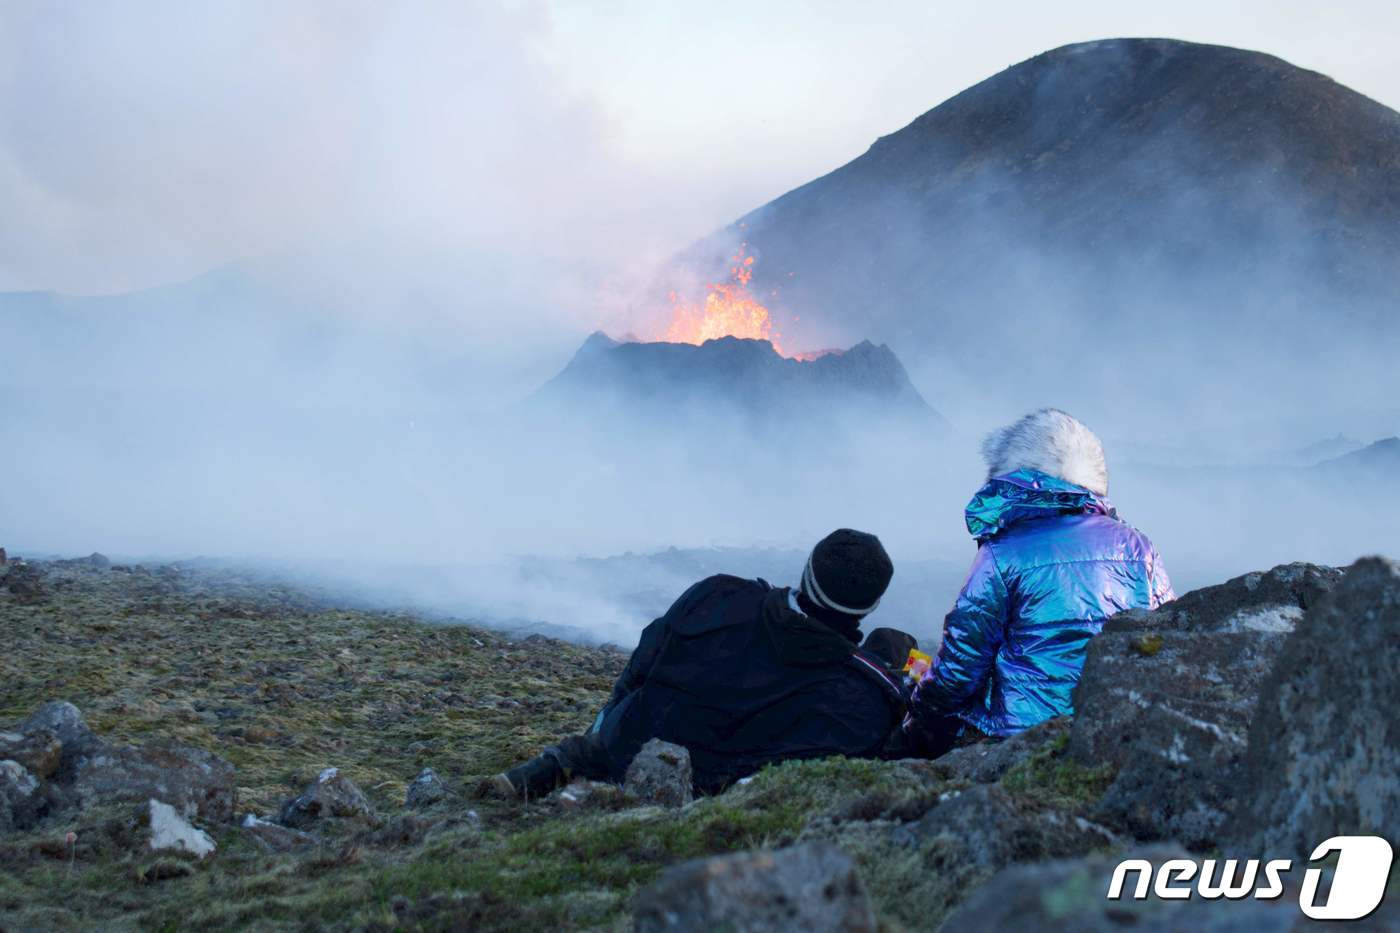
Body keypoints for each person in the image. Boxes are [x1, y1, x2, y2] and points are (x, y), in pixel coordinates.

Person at [494, 529, 916, 798]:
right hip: (714, 790)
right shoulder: (865, 693)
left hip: (631, 745)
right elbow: (857, 754)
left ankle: (569, 760)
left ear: (806, 572)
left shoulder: (717, 593)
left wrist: (608, 733)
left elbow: (640, 665)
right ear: (871, 605)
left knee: (615, 725)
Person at [904, 408, 1174, 757]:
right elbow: (1168, 636)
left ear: (1015, 474)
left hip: (1021, 739)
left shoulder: (1003, 554)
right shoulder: (1139, 548)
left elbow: (960, 667)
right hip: (1114, 727)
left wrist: (919, 710)